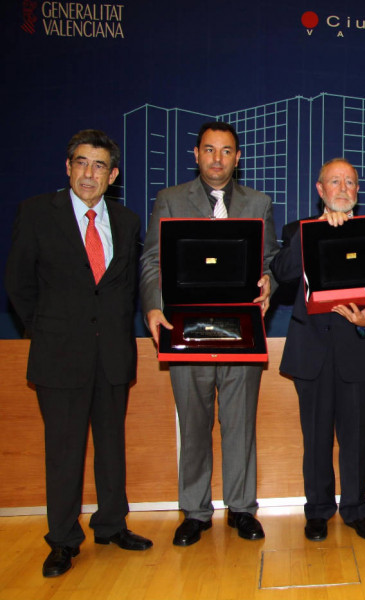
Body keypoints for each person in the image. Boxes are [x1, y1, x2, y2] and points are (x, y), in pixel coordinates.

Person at [6, 130, 152, 577]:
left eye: (100, 165)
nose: (90, 173)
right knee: (64, 451)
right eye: (82, 163)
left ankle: (111, 524)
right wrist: (49, 330)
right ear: (67, 167)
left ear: (114, 175)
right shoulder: (36, 214)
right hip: (58, 355)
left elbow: (124, 291)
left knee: (111, 447)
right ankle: (64, 539)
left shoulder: (126, 222)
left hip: (111, 355)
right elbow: (19, 284)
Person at [139, 121, 279, 546]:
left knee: (240, 425)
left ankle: (241, 509)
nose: (218, 159)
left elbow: (268, 260)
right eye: (210, 150)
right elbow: (150, 261)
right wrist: (153, 306)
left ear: (238, 158)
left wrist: (269, 282)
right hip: (186, 331)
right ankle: (196, 511)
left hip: (242, 332)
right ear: (196, 155)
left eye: (226, 151)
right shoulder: (170, 199)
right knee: (195, 425)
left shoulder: (259, 202)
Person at [272, 159, 365, 542]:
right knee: (317, 440)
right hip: (312, 352)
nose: (343, 188)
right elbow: (283, 272)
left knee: (356, 439)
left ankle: (357, 510)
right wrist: (314, 232)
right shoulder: (298, 231)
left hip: (357, 350)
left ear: (358, 192)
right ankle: (319, 510)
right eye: (335, 182)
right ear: (320, 190)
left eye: (351, 183)